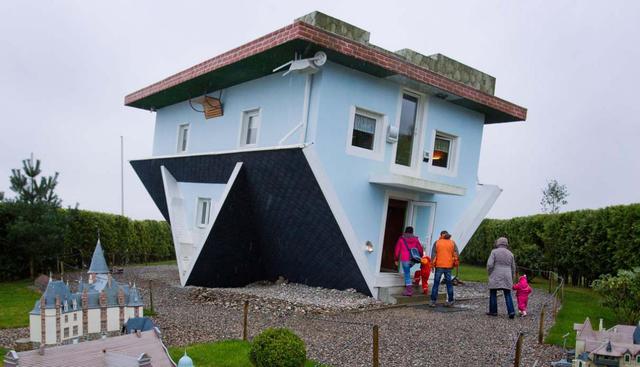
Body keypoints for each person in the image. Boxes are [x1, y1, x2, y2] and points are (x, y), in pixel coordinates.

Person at [486, 237, 516, 318]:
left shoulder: (494, 252)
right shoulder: (510, 254)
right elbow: (513, 267)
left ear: (498, 243)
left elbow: (489, 264)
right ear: (506, 244)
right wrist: (512, 277)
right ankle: (511, 311)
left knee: (493, 292)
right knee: (507, 293)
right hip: (507, 275)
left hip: (496, 274)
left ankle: (493, 311)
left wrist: (489, 273)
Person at [429, 230, 459, 307]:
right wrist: (454, 263)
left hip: (439, 266)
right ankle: (451, 301)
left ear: (441, 234)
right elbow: (456, 254)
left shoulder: (437, 242)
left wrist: (432, 265)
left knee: (436, 283)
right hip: (448, 266)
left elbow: (433, 255)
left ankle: (433, 301)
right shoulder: (452, 243)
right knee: (449, 284)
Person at [394, 226, 424, 296]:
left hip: (405, 258)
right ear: (412, 232)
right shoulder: (416, 240)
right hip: (413, 259)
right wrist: (421, 256)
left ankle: (409, 290)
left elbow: (397, 250)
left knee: (407, 273)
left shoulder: (401, 239)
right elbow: (420, 249)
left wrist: (396, 259)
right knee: (407, 271)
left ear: (405, 231)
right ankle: (408, 285)